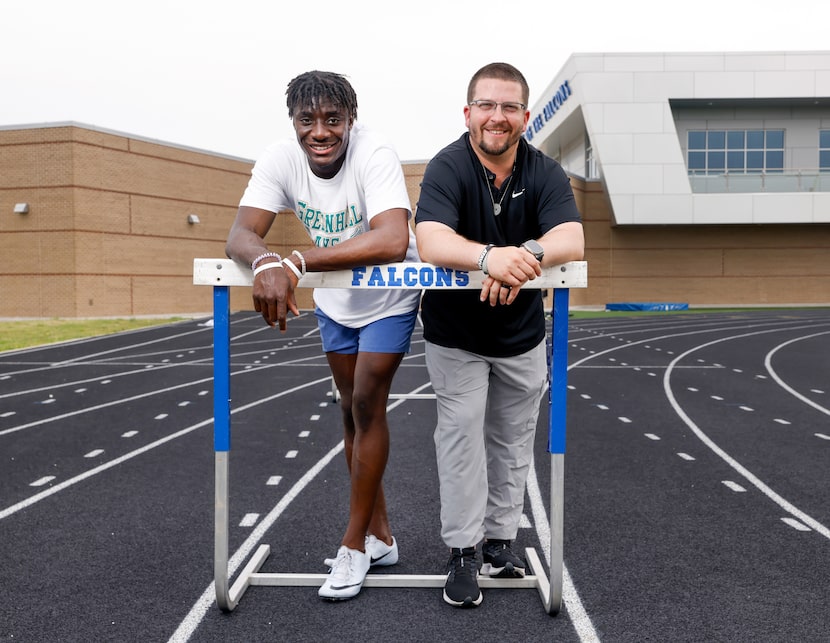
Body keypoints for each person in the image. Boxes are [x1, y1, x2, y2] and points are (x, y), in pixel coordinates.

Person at [225, 70, 421, 601]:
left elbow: (389, 238)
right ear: (293, 122)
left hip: (387, 294)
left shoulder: (374, 153)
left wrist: (295, 259)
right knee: (346, 410)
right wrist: (265, 258)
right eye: (307, 119)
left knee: (366, 403)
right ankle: (382, 536)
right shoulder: (279, 159)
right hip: (336, 300)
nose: (320, 131)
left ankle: (353, 545)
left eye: (333, 119)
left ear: (350, 121)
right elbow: (239, 234)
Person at [414, 62, 584, 608]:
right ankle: (462, 551)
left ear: (525, 116)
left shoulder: (544, 170)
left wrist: (525, 258)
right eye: (486, 105)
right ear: (468, 113)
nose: (497, 117)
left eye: (509, 107)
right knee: (461, 439)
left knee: (513, 441)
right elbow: (432, 239)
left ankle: (500, 541)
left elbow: (572, 236)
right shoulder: (447, 165)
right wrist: (490, 259)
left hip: (522, 335)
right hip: (455, 335)